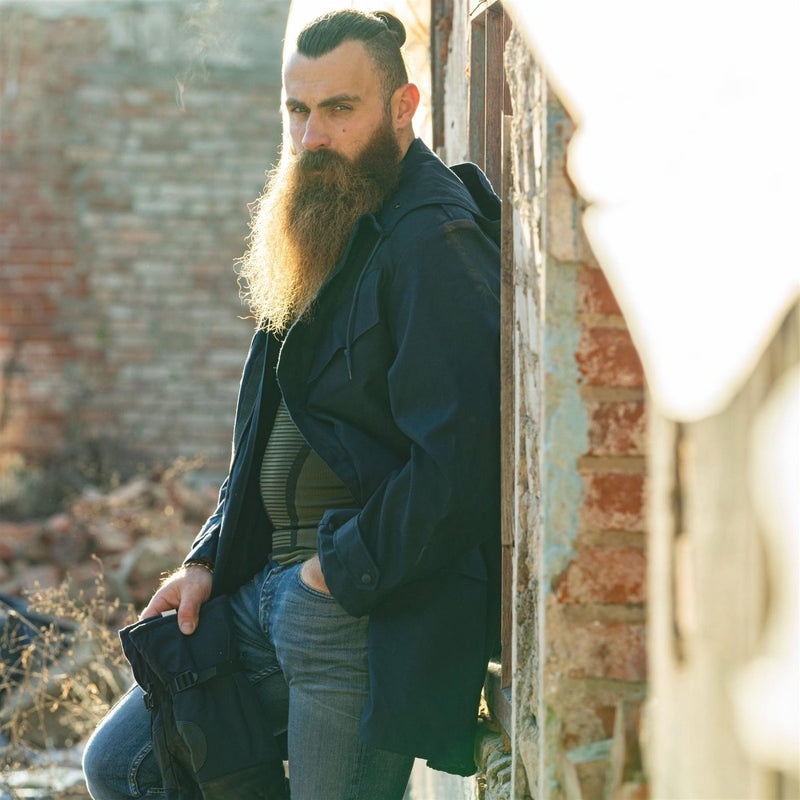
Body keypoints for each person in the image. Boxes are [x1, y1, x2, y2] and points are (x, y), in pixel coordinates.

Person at [82, 9, 501, 800]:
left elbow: (463, 459)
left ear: (403, 107)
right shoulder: (325, 220)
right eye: (297, 110)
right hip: (261, 589)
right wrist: (207, 556)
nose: (311, 137)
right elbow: (269, 430)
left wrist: (331, 576)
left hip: (351, 605)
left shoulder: (432, 243)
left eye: (339, 109)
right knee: (123, 766)